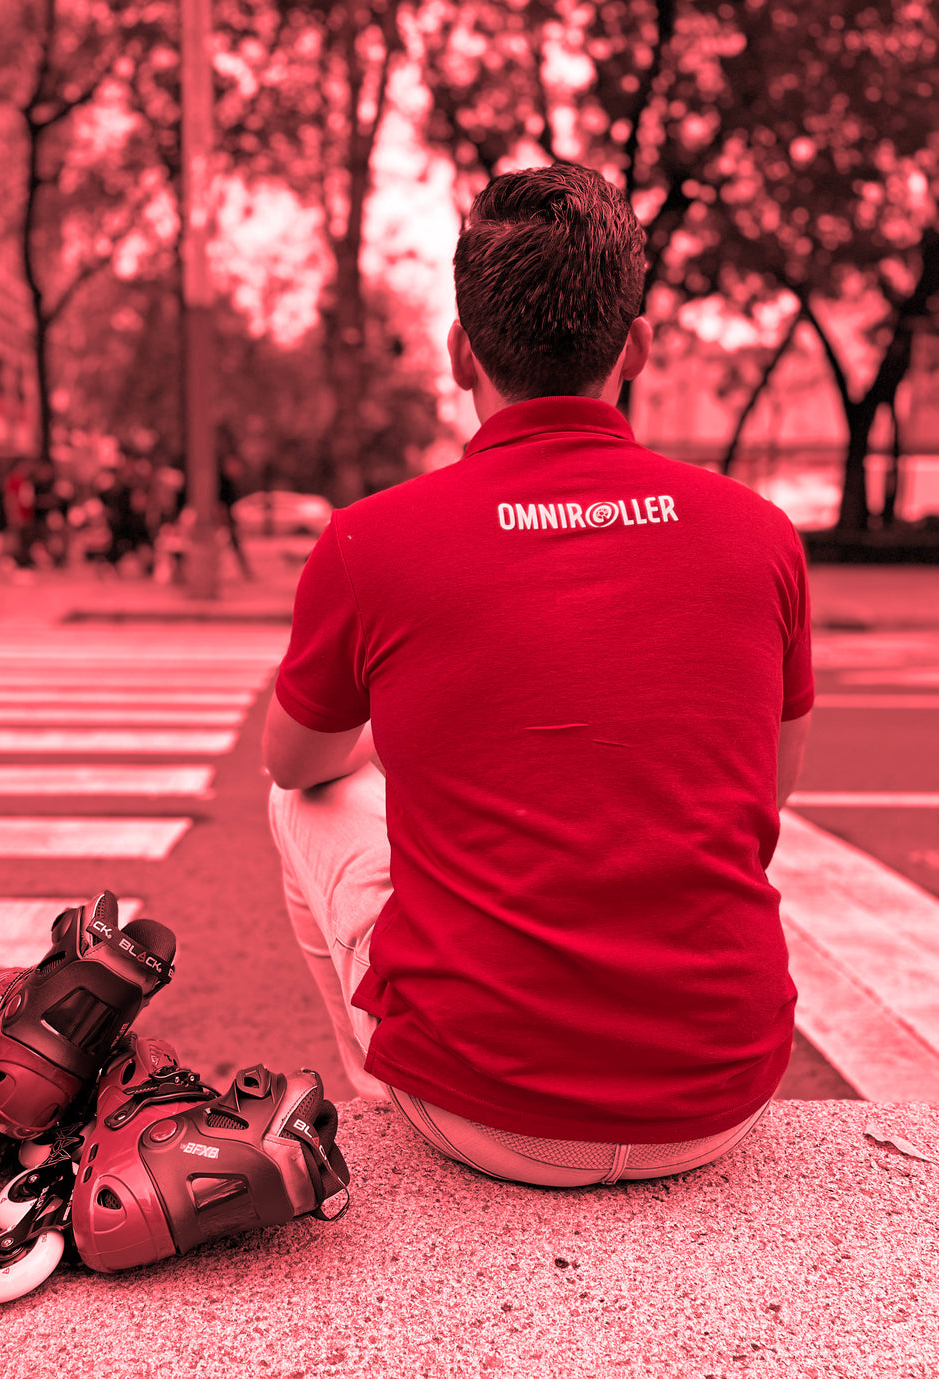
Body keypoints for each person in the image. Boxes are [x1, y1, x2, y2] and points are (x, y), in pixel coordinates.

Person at [262, 163, 814, 1189]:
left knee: (307, 797)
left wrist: (406, 731)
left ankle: (382, 1082)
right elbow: (764, 790)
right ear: (636, 346)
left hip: (480, 1110)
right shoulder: (761, 534)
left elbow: (293, 762)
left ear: (457, 351)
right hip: (720, 1095)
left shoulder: (371, 541)